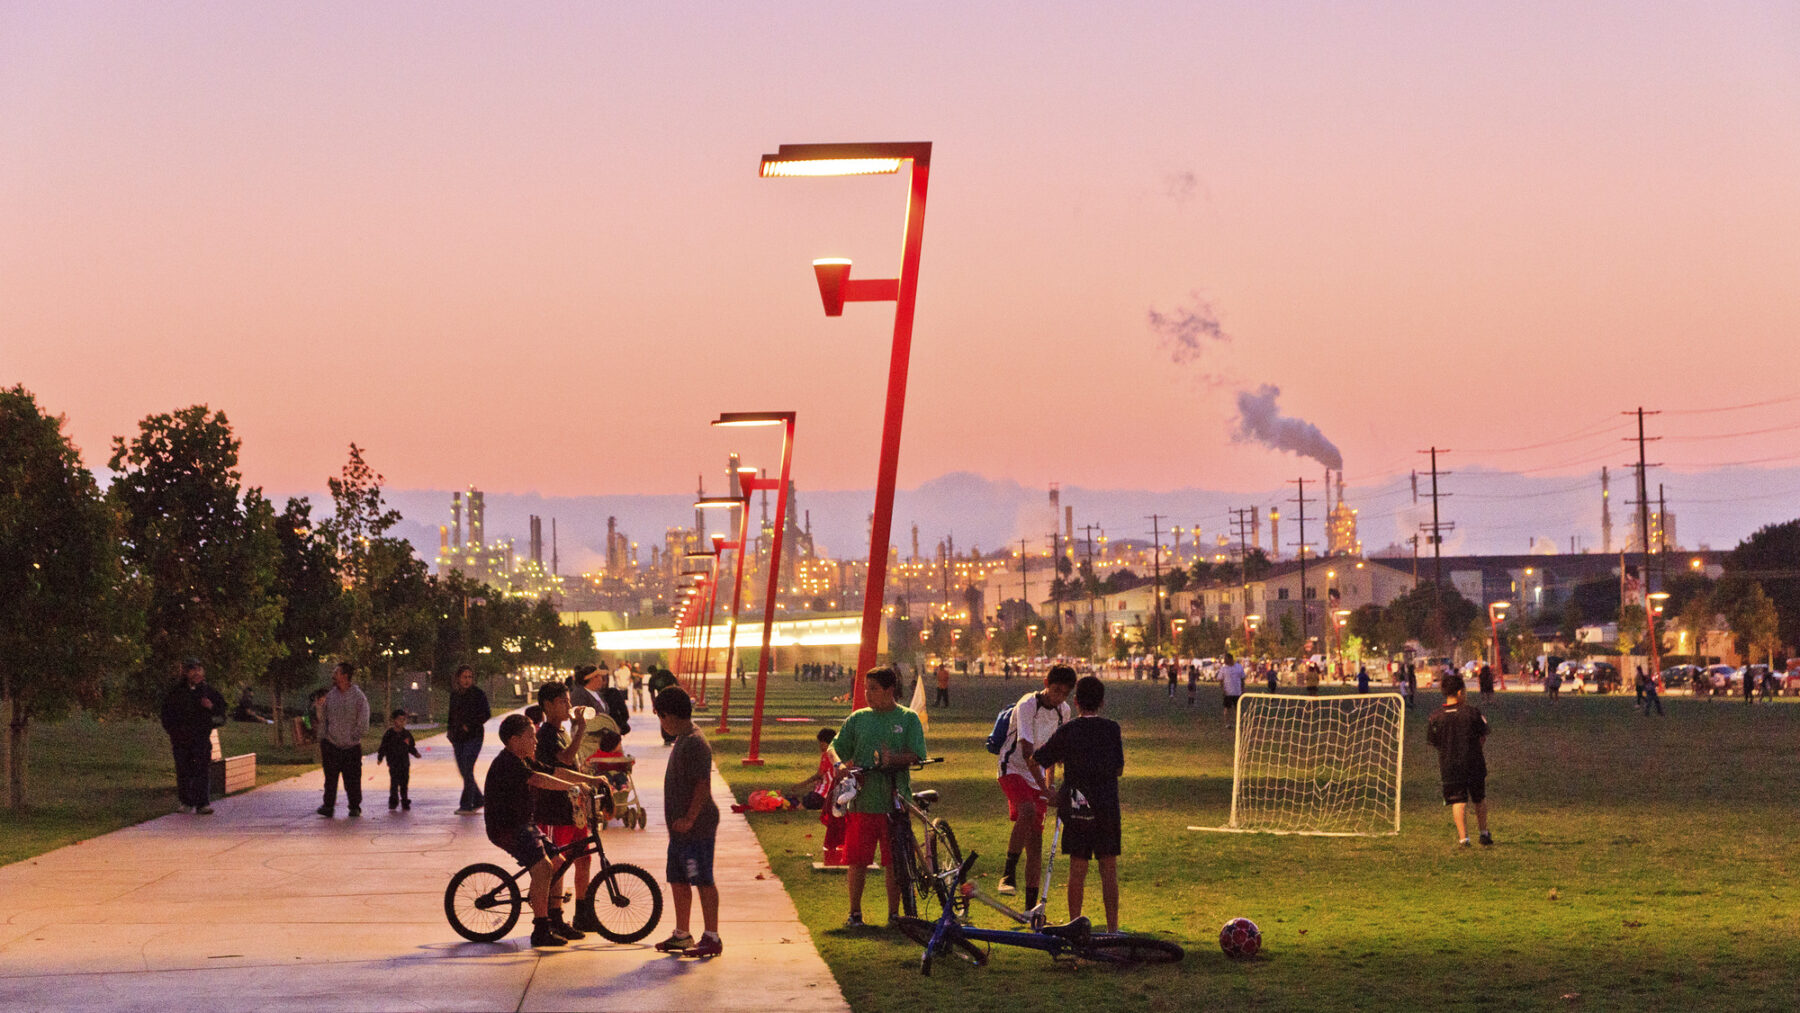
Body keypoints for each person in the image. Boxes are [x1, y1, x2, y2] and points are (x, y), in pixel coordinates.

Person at [482, 713, 612, 948]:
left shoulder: (523, 759)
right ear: (513, 740)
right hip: (506, 828)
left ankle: (556, 918)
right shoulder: (508, 762)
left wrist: (591, 781)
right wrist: (573, 787)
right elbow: (540, 780)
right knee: (543, 867)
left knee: (559, 862)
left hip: (524, 824)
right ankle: (540, 928)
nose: (536, 741)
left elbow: (556, 772)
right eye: (530, 736)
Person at [832, 666, 927, 929]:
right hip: (862, 802)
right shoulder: (858, 719)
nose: (867, 694)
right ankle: (855, 913)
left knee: (894, 862)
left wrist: (893, 760)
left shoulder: (908, 719)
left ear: (889, 690)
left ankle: (894, 915)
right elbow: (834, 748)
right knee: (857, 860)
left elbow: (917, 754)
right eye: (865, 688)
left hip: (895, 802)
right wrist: (839, 765)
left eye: (872, 689)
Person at [1031, 675, 1123, 932]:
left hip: (1076, 806)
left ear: (1076, 701)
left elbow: (1037, 759)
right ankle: (1113, 929)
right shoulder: (1111, 729)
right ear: (1102, 702)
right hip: (1106, 807)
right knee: (1108, 869)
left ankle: (1075, 925)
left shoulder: (1067, 730)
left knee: (1077, 869)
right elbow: (1119, 769)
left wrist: (1047, 791)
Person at [651, 687, 724, 958]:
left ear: (670, 716)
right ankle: (683, 934)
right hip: (680, 828)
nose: (661, 724)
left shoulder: (694, 742)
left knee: (702, 879)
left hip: (697, 827)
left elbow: (702, 785)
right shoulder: (683, 738)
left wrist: (690, 818)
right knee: (678, 879)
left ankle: (712, 936)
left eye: (660, 717)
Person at [995, 664, 1075, 910]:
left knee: (1036, 845)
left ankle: (1030, 911)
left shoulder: (1064, 712)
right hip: (1013, 768)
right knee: (1027, 811)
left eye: (1064, 693)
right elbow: (1029, 754)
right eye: (1055, 690)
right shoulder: (1027, 705)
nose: (1058, 696)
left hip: (1037, 775)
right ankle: (1008, 873)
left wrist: (1050, 787)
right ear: (1045, 683)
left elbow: (1052, 754)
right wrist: (1045, 790)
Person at [533, 681, 598, 938]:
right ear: (548, 705)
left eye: (568, 701)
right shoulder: (546, 734)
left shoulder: (562, 731)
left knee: (583, 858)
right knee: (558, 862)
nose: (569, 706)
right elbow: (566, 760)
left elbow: (574, 765)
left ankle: (582, 911)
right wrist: (581, 729)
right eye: (563, 702)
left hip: (574, 807)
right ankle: (552, 915)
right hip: (554, 810)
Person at [1426, 672, 1492, 847]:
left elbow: (1434, 742)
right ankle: (1484, 833)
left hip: (1449, 766)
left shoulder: (1435, 717)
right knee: (1479, 798)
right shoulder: (1472, 713)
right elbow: (1483, 735)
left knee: (1458, 800)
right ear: (1461, 692)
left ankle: (1464, 838)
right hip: (1474, 763)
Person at [160, 659, 226, 815]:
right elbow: (167, 715)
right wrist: (174, 732)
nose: (196, 673)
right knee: (184, 770)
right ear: (185, 673)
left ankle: (202, 803)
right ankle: (186, 802)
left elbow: (222, 714)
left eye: (199, 669)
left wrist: (211, 708)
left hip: (201, 739)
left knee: (201, 770)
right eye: (192, 670)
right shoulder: (176, 693)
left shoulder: (209, 692)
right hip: (181, 740)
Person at [315, 662, 370, 818]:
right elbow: (325, 718)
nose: (333, 676)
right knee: (330, 779)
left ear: (345, 676)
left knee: (352, 779)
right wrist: (323, 738)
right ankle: (328, 806)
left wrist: (356, 735)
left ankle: (354, 806)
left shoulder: (358, 696)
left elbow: (364, 717)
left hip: (351, 747)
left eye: (336, 673)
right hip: (331, 745)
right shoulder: (331, 696)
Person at [448, 665, 491, 814]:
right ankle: (479, 799)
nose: (467, 680)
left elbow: (486, 714)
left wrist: (470, 725)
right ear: (458, 678)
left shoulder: (478, 694)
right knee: (464, 770)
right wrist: (450, 731)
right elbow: (451, 714)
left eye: (470, 677)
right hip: (458, 737)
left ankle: (466, 804)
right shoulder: (455, 695)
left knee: (467, 767)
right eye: (464, 677)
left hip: (474, 737)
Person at [376, 708, 421, 810]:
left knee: (404, 782)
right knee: (394, 783)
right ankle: (393, 800)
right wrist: (380, 757)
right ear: (394, 720)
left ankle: (405, 800)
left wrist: (415, 753)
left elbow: (410, 747)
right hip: (393, 762)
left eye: (404, 720)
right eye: (400, 720)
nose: (402, 722)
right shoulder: (389, 734)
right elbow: (383, 747)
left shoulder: (406, 734)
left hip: (404, 763)